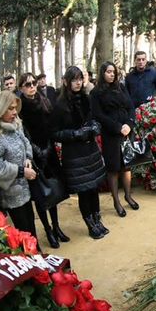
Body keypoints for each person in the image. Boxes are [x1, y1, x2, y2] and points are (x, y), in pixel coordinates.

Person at [52, 66, 108, 239]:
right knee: (84, 190)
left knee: (94, 188)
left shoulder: (86, 98)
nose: (77, 83)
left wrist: (95, 127)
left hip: (90, 150)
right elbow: (55, 133)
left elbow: (94, 118)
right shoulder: (60, 104)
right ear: (66, 82)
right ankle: (90, 224)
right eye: (74, 80)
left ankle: (98, 220)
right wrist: (75, 134)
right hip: (74, 153)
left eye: (79, 79)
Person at [18, 72, 69, 249]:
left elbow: (51, 126)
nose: (32, 86)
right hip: (33, 155)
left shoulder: (44, 101)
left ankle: (56, 227)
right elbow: (23, 134)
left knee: (54, 190)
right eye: (27, 84)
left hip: (49, 151)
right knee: (41, 194)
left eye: (33, 83)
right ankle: (47, 230)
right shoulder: (19, 107)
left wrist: (48, 147)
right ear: (21, 88)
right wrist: (37, 151)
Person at [0, 91, 38, 241]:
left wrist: (28, 157)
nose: (15, 112)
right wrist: (21, 171)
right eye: (11, 108)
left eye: (15, 108)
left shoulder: (15, 125)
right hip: (11, 194)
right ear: (1, 109)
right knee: (22, 233)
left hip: (25, 189)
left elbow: (26, 142)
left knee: (31, 228)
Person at [91, 61, 139, 218]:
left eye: (113, 71)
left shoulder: (121, 87)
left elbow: (131, 106)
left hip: (127, 131)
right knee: (114, 168)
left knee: (127, 166)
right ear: (102, 73)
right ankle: (116, 202)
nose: (111, 74)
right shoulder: (96, 92)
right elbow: (98, 115)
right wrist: (118, 127)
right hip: (111, 133)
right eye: (108, 71)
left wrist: (130, 124)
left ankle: (128, 195)